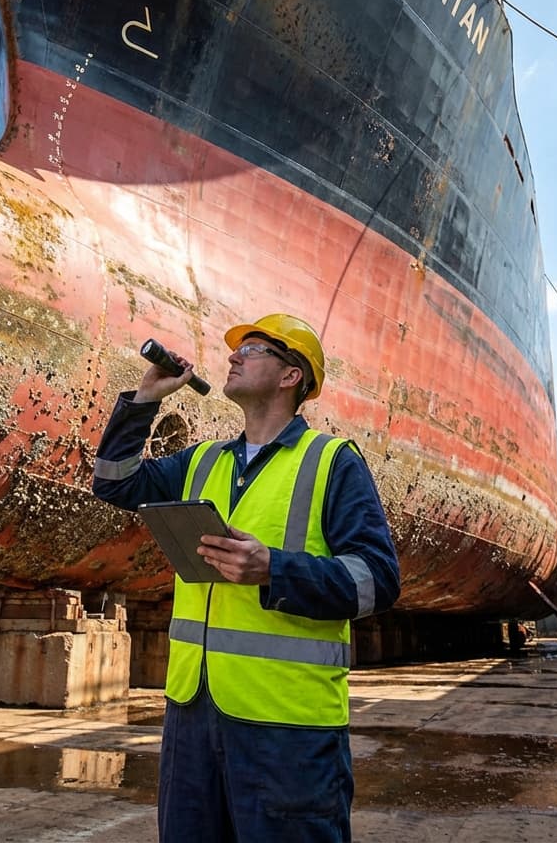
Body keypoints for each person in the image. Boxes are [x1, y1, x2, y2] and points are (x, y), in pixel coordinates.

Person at [93, 313, 400, 842]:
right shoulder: (203, 461)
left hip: (288, 727)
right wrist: (145, 399)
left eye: (253, 349)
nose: (234, 356)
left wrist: (273, 569)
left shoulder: (332, 462)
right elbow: (113, 482)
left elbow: (377, 580)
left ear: (290, 376)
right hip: (193, 712)